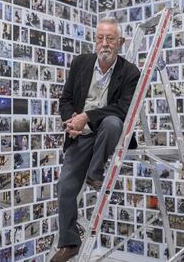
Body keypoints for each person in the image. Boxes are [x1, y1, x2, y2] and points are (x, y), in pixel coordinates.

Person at [52, 17, 140, 262]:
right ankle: (69, 243)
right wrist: (72, 120)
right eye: (100, 38)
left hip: (105, 132)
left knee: (113, 122)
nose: (104, 44)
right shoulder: (80, 63)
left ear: (120, 42)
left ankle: (94, 174)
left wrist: (87, 117)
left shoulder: (130, 72)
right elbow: (66, 99)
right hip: (80, 135)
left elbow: (123, 109)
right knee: (66, 188)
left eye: (110, 38)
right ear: (95, 40)